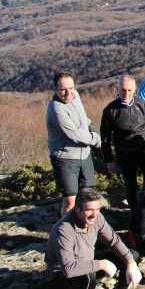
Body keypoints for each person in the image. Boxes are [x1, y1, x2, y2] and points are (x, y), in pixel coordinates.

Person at [45, 188, 143, 289]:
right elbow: (69, 269)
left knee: (132, 255)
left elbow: (113, 241)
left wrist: (130, 262)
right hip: (61, 276)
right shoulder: (64, 229)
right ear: (77, 209)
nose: (94, 214)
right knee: (88, 273)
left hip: (87, 262)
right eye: (90, 210)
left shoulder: (97, 218)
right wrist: (102, 264)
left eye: (97, 209)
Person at [100, 75, 145, 223]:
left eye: (129, 90)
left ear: (135, 90)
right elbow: (105, 138)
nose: (126, 94)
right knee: (131, 187)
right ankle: (137, 215)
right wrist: (109, 159)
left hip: (144, 150)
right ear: (117, 89)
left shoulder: (141, 105)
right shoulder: (110, 110)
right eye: (123, 90)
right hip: (124, 153)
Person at [46, 72, 102, 216]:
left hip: (84, 156)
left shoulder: (75, 96)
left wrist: (91, 127)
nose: (68, 93)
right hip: (66, 158)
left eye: (71, 87)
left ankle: (84, 227)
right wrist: (95, 139)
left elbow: (83, 117)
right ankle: (67, 232)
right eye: (63, 89)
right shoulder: (56, 108)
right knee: (70, 200)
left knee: (86, 196)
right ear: (56, 89)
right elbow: (74, 134)